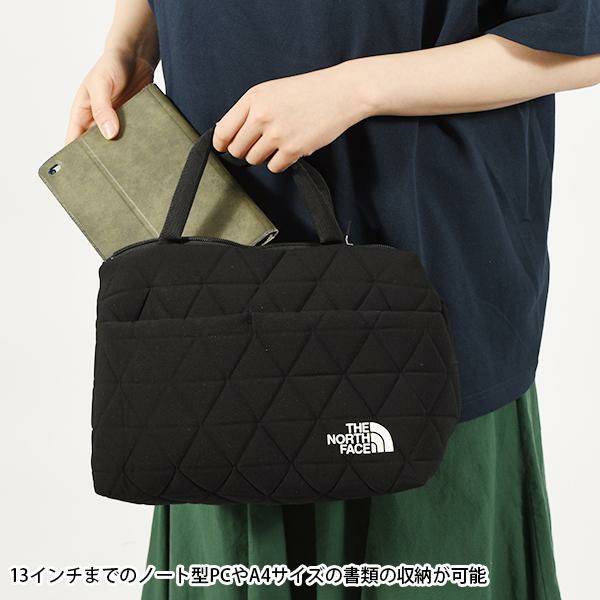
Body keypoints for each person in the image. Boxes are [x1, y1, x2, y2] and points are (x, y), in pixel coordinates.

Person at [66, 1, 600, 598]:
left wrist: (356, 89)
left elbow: (581, 37)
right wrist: (129, 47)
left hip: (423, 296)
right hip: (217, 309)